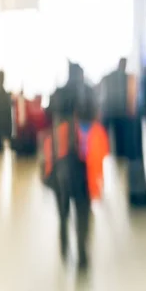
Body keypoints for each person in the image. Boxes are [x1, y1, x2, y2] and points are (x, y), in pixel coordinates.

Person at [42, 64, 108, 270]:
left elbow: (47, 114)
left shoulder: (58, 93)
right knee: (82, 210)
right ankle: (82, 256)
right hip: (84, 160)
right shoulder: (89, 91)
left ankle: (64, 247)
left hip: (59, 156)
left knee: (63, 210)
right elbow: (98, 114)